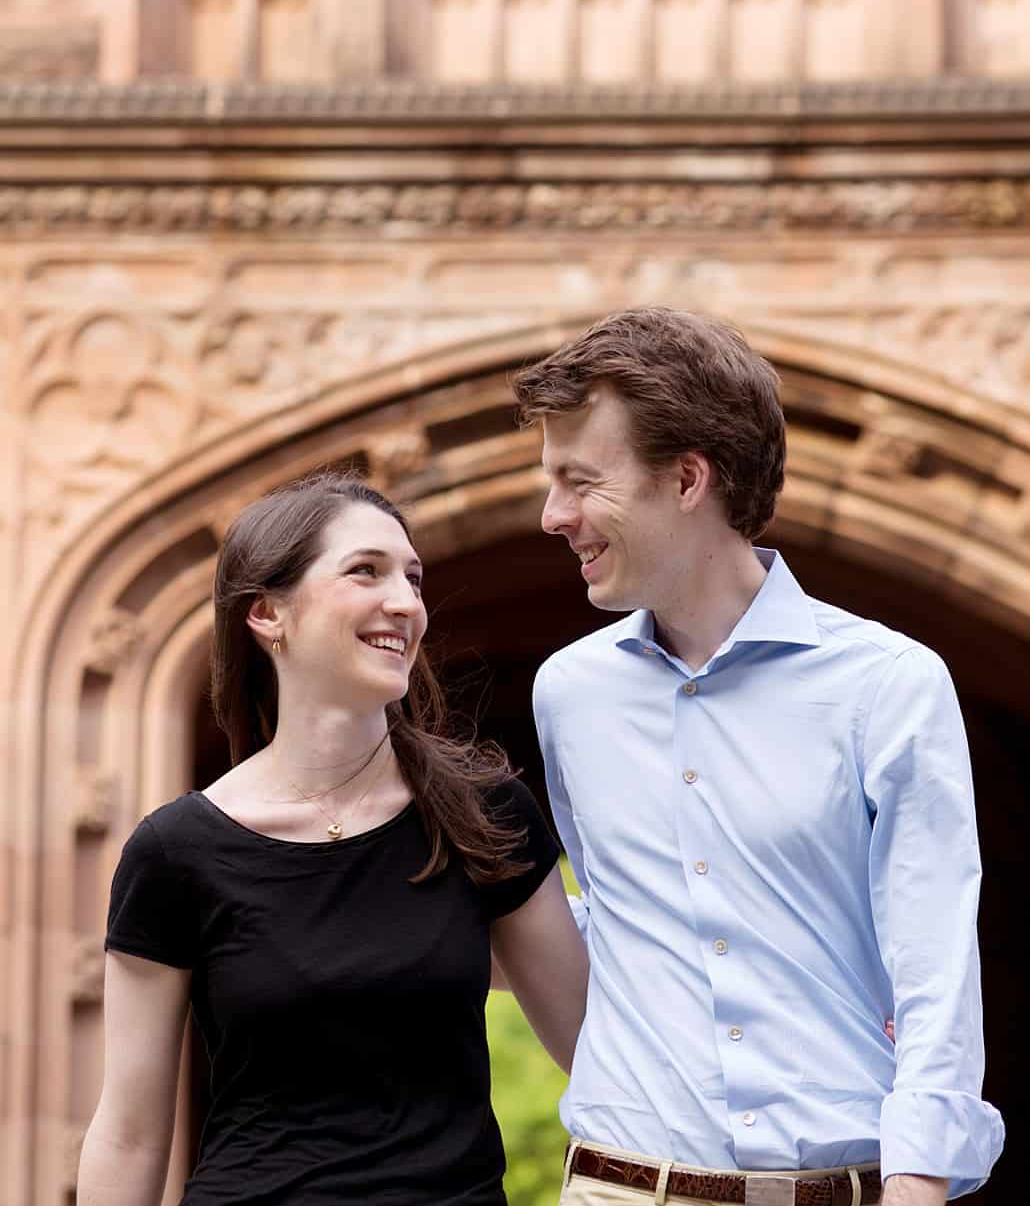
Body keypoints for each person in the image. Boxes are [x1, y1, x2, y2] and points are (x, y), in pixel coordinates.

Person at [511, 308, 1004, 1206]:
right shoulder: (568, 695)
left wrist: (919, 1183)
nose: (553, 516)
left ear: (689, 477)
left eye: (580, 481)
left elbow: (935, 967)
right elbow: (620, 930)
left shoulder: (889, 684)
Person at [78, 472, 587, 1206]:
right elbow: (128, 1132)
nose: (405, 602)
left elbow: (595, 1047)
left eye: (413, 578)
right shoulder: (175, 851)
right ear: (267, 614)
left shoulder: (483, 813)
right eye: (366, 571)